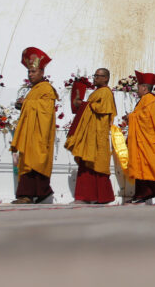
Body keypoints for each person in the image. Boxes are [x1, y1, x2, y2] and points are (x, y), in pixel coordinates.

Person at [9, 47, 58, 204]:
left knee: (35, 162)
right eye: (29, 72)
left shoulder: (46, 88)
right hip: (30, 133)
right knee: (28, 162)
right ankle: (39, 193)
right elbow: (33, 106)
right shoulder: (34, 89)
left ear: (42, 72)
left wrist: (27, 103)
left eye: (33, 71)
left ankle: (29, 195)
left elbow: (47, 109)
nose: (30, 75)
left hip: (39, 134)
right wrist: (23, 104)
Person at [64, 68, 117, 204]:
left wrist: (82, 104)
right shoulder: (96, 92)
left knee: (97, 164)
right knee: (86, 163)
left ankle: (97, 197)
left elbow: (102, 109)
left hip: (98, 134)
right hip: (90, 133)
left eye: (98, 76)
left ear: (106, 78)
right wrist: (81, 104)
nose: (95, 78)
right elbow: (91, 108)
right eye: (95, 75)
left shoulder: (106, 92)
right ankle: (87, 196)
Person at [123, 71, 155, 205]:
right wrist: (131, 117)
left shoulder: (149, 99)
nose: (137, 89)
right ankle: (142, 194)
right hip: (142, 139)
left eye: (138, 87)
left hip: (148, 139)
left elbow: (145, 119)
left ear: (144, 88)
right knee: (142, 168)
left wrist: (131, 117)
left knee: (151, 167)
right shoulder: (145, 99)